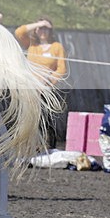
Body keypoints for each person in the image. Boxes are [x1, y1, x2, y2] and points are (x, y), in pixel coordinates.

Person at [14, 16, 66, 148]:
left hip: (47, 88)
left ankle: (49, 146)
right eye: (40, 28)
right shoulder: (31, 44)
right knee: (29, 117)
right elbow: (19, 32)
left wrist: (49, 80)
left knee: (47, 118)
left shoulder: (56, 47)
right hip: (31, 87)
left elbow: (61, 68)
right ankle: (28, 145)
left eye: (46, 28)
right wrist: (37, 23)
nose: (43, 31)